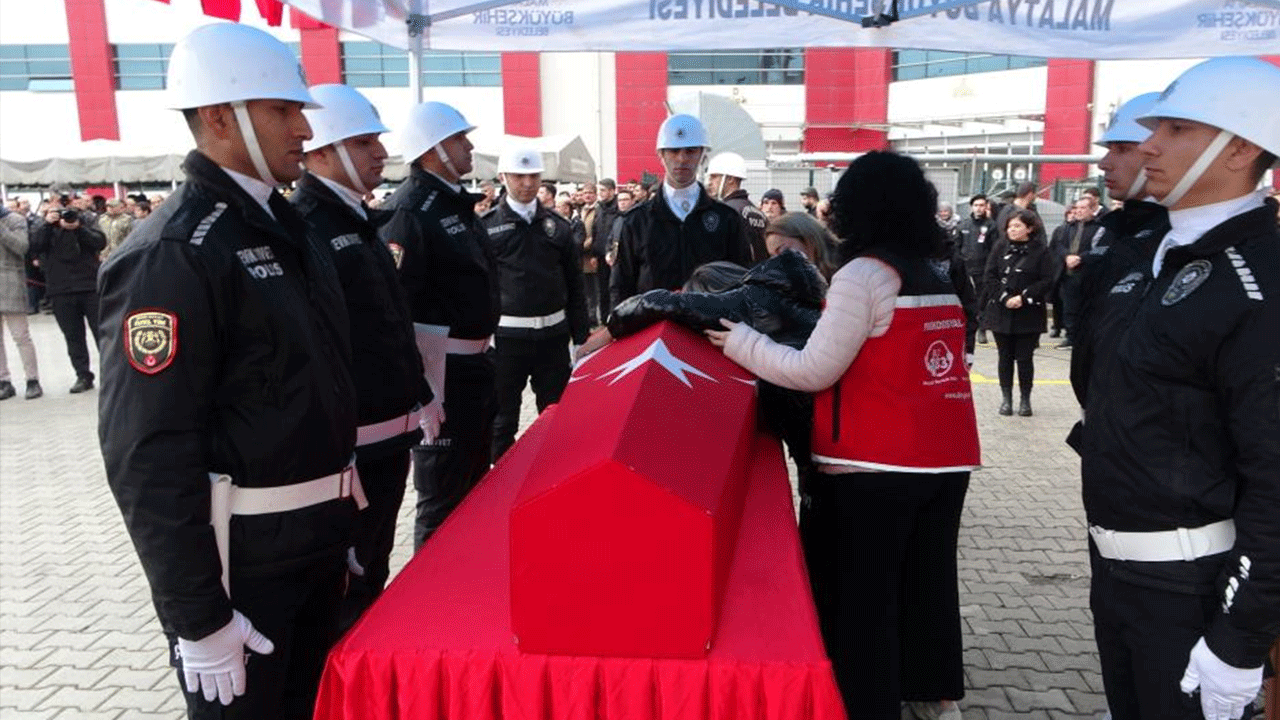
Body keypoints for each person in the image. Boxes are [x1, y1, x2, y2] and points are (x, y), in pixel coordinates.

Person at [97, 24, 362, 719]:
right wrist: (198, 617)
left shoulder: (289, 225)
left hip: (314, 549)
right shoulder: (176, 252)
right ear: (219, 117)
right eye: (284, 109)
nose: (305, 126)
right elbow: (147, 451)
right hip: (244, 573)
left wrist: (341, 525)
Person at [707, 150, 979, 720]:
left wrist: (742, 344)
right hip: (944, 462)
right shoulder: (937, 272)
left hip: (870, 466)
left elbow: (813, 370)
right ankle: (932, 691)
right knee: (927, 584)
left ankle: (864, 703)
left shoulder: (863, 276)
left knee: (864, 602)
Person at [1075, 57, 1280, 720]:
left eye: (1178, 128)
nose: (1150, 144)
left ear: (1242, 147)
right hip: (1120, 575)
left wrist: (1239, 640)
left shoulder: (1257, 284)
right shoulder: (1156, 258)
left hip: (1193, 588)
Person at [291, 84, 429, 628]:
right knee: (349, 587)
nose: (380, 152)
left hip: (386, 437)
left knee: (371, 571)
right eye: (364, 140)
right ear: (321, 151)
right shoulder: (309, 225)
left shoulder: (355, 218)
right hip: (351, 451)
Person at [380, 100, 499, 549]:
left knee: (473, 489)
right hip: (440, 375)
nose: (468, 147)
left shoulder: (452, 204)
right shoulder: (411, 211)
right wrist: (421, 390)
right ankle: (430, 608)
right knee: (441, 499)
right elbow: (395, 309)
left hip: (473, 369)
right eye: (457, 138)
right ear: (431, 149)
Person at [483, 146, 590, 462]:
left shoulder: (558, 226)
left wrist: (580, 339)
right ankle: (501, 492)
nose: (527, 183)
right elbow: (479, 286)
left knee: (557, 416)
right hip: (506, 341)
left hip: (553, 338)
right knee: (502, 421)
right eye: (519, 176)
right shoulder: (486, 226)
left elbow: (575, 285)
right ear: (504, 177)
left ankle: (551, 482)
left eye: (533, 176)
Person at [610, 113, 751, 307]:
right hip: (653, 328)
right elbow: (621, 285)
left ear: (702, 155)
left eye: (691, 151)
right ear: (660, 155)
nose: (682, 159)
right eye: (674, 151)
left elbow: (742, 280)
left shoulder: (726, 219)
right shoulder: (636, 221)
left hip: (708, 331)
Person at [980, 209, 1054, 416]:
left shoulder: (1041, 251)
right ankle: (1006, 399)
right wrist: (1004, 298)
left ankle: (1025, 400)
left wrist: (1024, 297)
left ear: (1029, 228)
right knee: (1004, 357)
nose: (1012, 230)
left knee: (1024, 358)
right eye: (1010, 226)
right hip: (1001, 312)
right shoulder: (1000, 246)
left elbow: (1047, 279)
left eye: (1017, 226)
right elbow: (990, 276)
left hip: (1028, 312)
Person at [30, 207, 105, 393]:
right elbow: (35, 246)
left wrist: (78, 228)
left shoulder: (84, 222)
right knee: (73, 337)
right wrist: (48, 224)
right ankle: (83, 375)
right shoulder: (45, 228)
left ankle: (112, 373)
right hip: (60, 289)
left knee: (103, 333)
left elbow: (100, 242)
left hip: (89, 287)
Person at [1048, 197, 1109, 349]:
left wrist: (1081, 258)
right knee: (1069, 308)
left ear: (1091, 210)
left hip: (1088, 275)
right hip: (1068, 274)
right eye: (1077, 208)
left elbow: (1102, 249)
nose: (1079, 211)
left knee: (1087, 308)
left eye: (1083, 208)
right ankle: (1071, 337)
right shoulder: (1068, 227)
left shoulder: (1100, 227)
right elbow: (1059, 244)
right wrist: (1067, 256)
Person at [0, 203, 41, 400]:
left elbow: (21, 247)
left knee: (21, 336)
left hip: (10, 283)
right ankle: (4, 381)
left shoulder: (15, 220)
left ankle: (32, 380)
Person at [707, 151, 769, 263]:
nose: (710, 182)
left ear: (730, 179)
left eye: (714, 177)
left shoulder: (725, 212)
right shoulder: (759, 214)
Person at [955, 194, 996, 344]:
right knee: (965, 300)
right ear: (971, 207)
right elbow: (956, 247)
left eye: (981, 205)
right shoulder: (963, 225)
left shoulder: (992, 226)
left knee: (982, 301)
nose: (979, 208)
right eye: (976, 205)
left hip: (983, 270)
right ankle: (964, 327)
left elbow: (995, 249)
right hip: (966, 270)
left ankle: (982, 329)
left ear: (986, 207)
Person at [763, 211, 838, 281]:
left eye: (783, 251)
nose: (777, 264)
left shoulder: (843, 278)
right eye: (773, 257)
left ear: (809, 240)